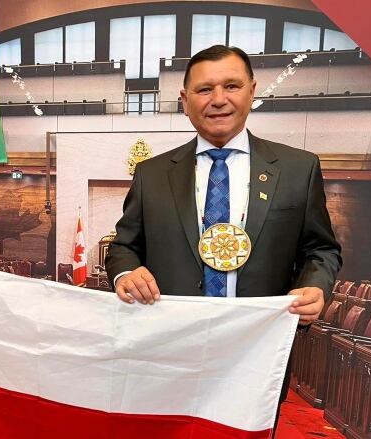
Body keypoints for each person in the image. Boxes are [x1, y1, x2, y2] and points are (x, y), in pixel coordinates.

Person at [105, 45, 342, 428]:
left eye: (231, 86)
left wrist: (315, 286)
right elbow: (123, 248)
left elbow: (321, 249)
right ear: (184, 100)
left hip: (254, 356)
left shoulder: (299, 168)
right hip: (168, 352)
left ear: (252, 90)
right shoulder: (152, 174)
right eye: (204, 89)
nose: (218, 99)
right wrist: (125, 272)